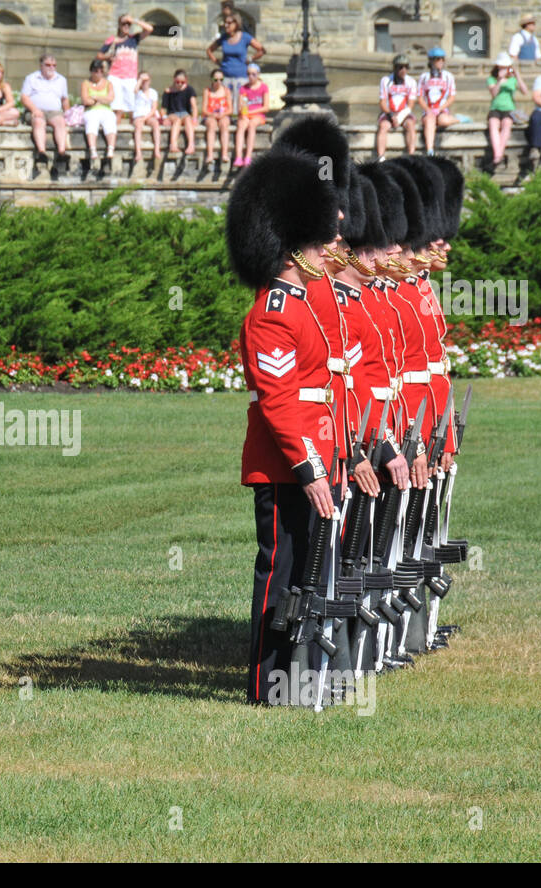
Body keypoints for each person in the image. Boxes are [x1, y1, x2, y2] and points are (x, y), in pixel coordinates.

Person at [226, 135, 343, 706]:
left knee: (308, 574)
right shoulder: (272, 313)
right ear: (292, 248)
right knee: (280, 574)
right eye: (317, 244)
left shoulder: (299, 305)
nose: (327, 251)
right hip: (286, 464)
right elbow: (277, 400)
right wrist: (310, 467)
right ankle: (268, 684)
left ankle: (299, 678)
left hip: (313, 455)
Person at [97, 13, 152, 117]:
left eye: (128, 24)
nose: (126, 26)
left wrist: (134, 20)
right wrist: (107, 57)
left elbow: (149, 29)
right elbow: (99, 55)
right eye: (124, 23)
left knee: (132, 110)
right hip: (115, 76)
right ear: (119, 25)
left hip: (130, 77)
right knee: (116, 109)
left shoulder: (134, 39)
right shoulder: (113, 40)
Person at [207, 11, 263, 108]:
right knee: (226, 106)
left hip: (241, 77)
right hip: (225, 77)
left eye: (229, 23)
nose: (226, 25)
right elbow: (209, 50)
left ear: (236, 23)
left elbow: (261, 50)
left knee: (241, 106)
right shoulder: (223, 38)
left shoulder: (245, 37)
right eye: (225, 22)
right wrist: (217, 62)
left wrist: (250, 58)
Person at [21, 53, 69, 164]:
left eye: (54, 65)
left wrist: (67, 113)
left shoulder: (61, 80)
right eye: (48, 65)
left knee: (61, 122)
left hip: (54, 112)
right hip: (36, 111)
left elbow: (65, 99)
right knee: (38, 122)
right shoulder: (31, 78)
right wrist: (34, 109)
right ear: (41, 65)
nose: (51, 68)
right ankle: (41, 152)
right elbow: (24, 97)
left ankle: (62, 152)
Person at [486, 52, 526, 168]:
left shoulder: (512, 80)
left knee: (506, 125)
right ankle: (498, 155)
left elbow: (524, 91)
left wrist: (517, 76)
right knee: (493, 126)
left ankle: (499, 154)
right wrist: (499, 80)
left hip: (509, 108)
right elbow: (493, 94)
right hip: (495, 107)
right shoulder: (492, 79)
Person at [418, 47, 457, 156]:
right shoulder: (424, 77)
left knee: (443, 121)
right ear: (431, 61)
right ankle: (430, 150)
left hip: (442, 109)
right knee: (430, 120)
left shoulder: (448, 76)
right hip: (429, 109)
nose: (440, 62)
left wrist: (440, 108)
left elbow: (451, 96)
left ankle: (457, 119)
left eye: (442, 59)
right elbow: (420, 97)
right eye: (437, 59)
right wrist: (427, 109)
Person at [376, 53, 416, 159]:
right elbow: (383, 102)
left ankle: (411, 156)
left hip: (404, 112)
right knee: (383, 126)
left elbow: (411, 104)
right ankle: (381, 157)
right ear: (394, 68)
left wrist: (400, 117)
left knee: (411, 125)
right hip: (390, 112)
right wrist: (391, 115)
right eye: (400, 67)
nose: (403, 70)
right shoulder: (386, 81)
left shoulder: (411, 82)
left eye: (406, 67)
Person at [79, 58, 116, 172]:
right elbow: (86, 100)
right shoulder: (86, 83)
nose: (98, 73)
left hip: (105, 110)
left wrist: (95, 97)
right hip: (91, 110)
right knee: (92, 121)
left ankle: (110, 149)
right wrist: (99, 100)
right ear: (91, 71)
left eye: (100, 71)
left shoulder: (108, 83)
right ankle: (92, 150)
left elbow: (110, 98)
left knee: (110, 121)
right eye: (96, 71)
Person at [233, 62, 267, 167]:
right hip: (246, 115)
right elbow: (242, 106)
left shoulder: (263, 87)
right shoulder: (244, 89)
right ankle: (238, 156)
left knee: (252, 125)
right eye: (248, 74)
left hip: (258, 115)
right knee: (241, 126)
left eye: (253, 74)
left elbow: (266, 107)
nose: (250, 77)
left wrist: (249, 113)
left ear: (258, 74)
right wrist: (244, 114)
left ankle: (248, 156)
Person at [201, 67, 231, 173]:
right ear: (211, 80)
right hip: (210, 115)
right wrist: (212, 114)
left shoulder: (226, 91)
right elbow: (204, 109)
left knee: (224, 125)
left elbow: (230, 109)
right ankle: (210, 155)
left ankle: (224, 154)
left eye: (221, 80)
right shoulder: (207, 91)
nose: (218, 82)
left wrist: (222, 114)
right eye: (216, 80)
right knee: (211, 125)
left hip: (223, 115)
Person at [161, 68, 197, 156]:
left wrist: (194, 118)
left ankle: (191, 145)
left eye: (182, 82)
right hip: (173, 113)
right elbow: (163, 108)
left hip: (185, 113)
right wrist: (164, 118)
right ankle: (173, 144)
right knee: (177, 120)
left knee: (188, 120)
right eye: (178, 82)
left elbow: (194, 106)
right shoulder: (168, 91)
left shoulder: (189, 90)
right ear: (174, 80)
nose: (180, 84)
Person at [131, 70, 161, 163]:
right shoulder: (137, 92)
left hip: (149, 115)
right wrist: (140, 79)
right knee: (138, 126)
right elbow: (135, 90)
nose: (145, 82)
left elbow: (154, 108)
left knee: (156, 124)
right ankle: (138, 152)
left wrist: (146, 117)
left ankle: (157, 149)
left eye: (146, 80)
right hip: (138, 115)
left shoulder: (153, 92)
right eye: (143, 80)